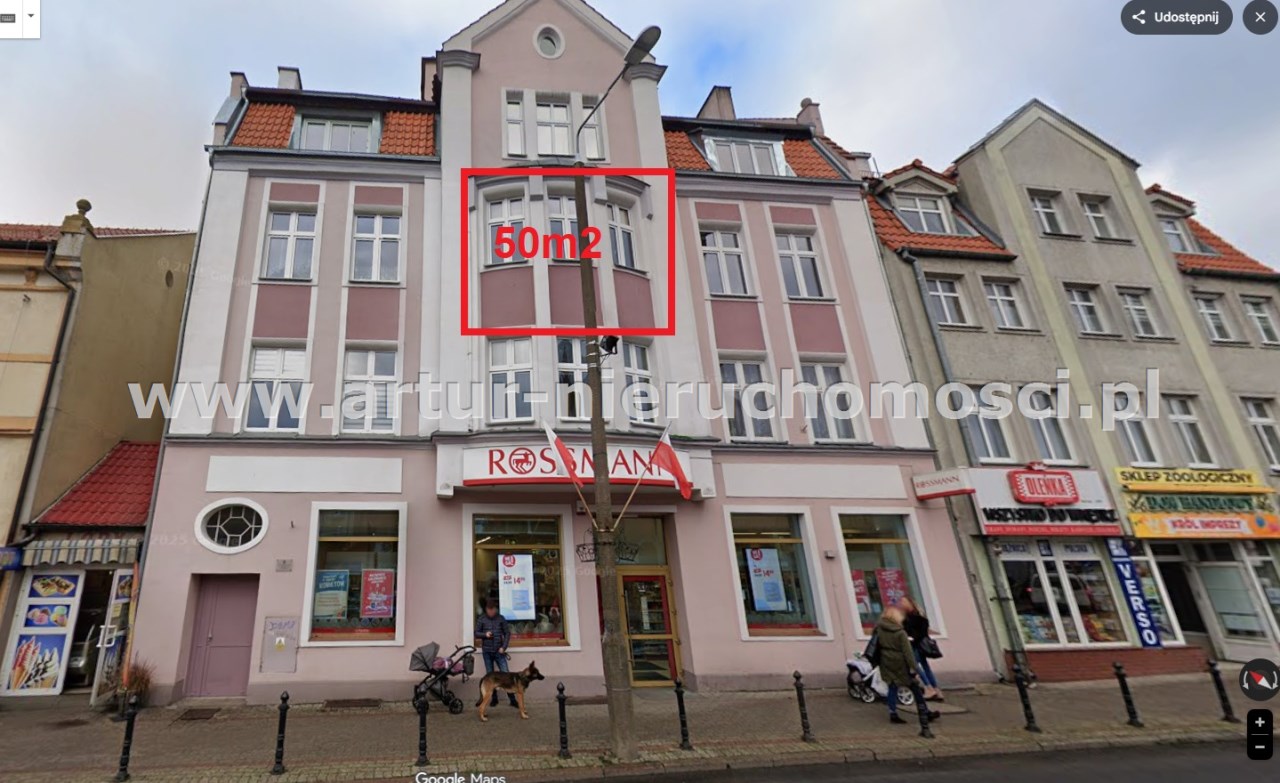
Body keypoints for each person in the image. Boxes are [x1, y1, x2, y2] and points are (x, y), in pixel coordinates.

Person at [875, 606, 940, 724]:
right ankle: (925, 712)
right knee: (915, 687)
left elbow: (875, 646)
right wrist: (915, 668)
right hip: (901, 663)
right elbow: (908, 653)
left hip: (886, 661)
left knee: (892, 687)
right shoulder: (900, 633)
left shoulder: (879, 630)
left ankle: (893, 713)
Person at [474, 599, 518, 708]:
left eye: (492, 609)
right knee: (491, 676)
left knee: (506, 675)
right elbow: (476, 633)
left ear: (495, 609)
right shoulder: (482, 619)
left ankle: (512, 700)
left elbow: (507, 633)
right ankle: (494, 699)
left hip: (499, 651)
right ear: (486, 609)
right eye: (489, 610)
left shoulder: (501, 618)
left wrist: (504, 647)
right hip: (487, 652)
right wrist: (485, 635)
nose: (491, 612)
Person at [898, 596, 943, 702]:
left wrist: (911, 638)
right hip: (922, 646)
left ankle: (928, 688)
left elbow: (915, 633)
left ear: (909, 603)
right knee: (925, 667)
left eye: (903, 602)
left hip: (916, 646)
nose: (901, 604)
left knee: (915, 665)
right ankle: (936, 689)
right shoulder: (920, 617)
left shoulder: (910, 618)